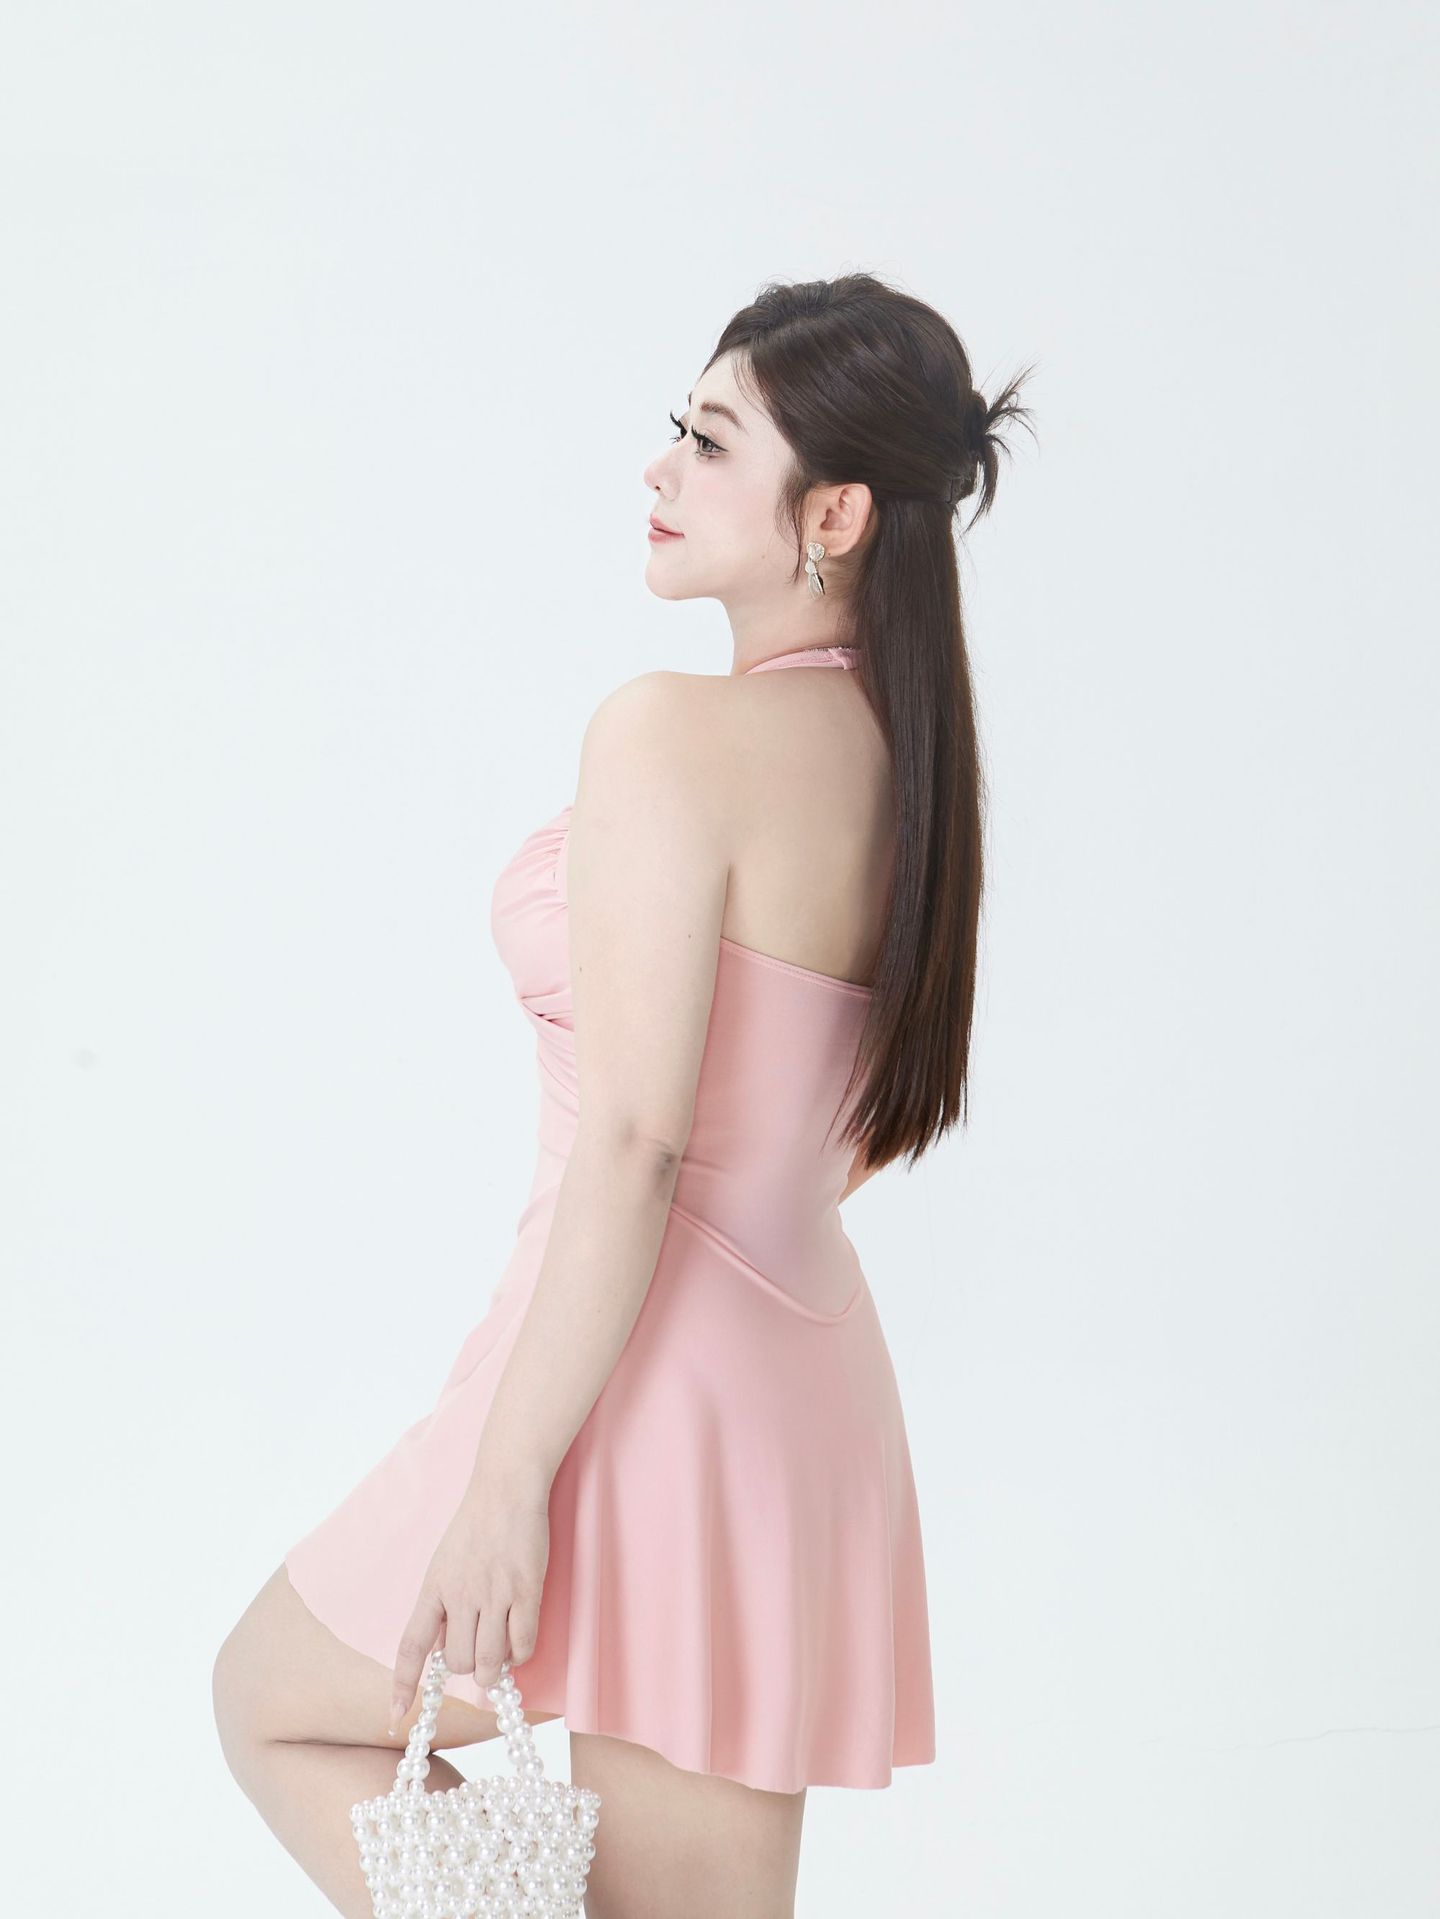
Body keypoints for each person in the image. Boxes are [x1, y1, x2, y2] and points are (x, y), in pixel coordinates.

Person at [212, 270, 1034, 1919]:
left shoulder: (669, 734)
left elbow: (644, 1140)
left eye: (712, 441)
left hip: (624, 1374)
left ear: (836, 513)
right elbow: (833, 1126)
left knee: (273, 1701)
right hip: (791, 1394)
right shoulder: (909, 767)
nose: (661, 468)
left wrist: (508, 1481)